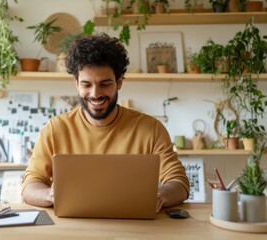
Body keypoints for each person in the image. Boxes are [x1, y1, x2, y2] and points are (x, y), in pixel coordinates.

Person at [21, 33, 190, 212]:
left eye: (105, 84)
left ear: (119, 82)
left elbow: (179, 183)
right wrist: (50, 195)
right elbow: (30, 185)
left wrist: (158, 196)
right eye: (86, 84)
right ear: (76, 83)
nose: (95, 94)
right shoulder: (55, 129)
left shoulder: (151, 130)